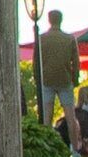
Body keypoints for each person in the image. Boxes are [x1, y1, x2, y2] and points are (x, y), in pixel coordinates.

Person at [33, 10, 83, 147]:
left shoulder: (41, 39)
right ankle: (74, 149)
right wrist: (75, 78)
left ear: (49, 20)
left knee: (47, 117)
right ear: (61, 20)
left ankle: (47, 146)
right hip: (65, 80)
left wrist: (37, 79)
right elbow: (76, 62)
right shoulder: (70, 39)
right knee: (70, 117)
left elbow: (35, 61)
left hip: (46, 80)